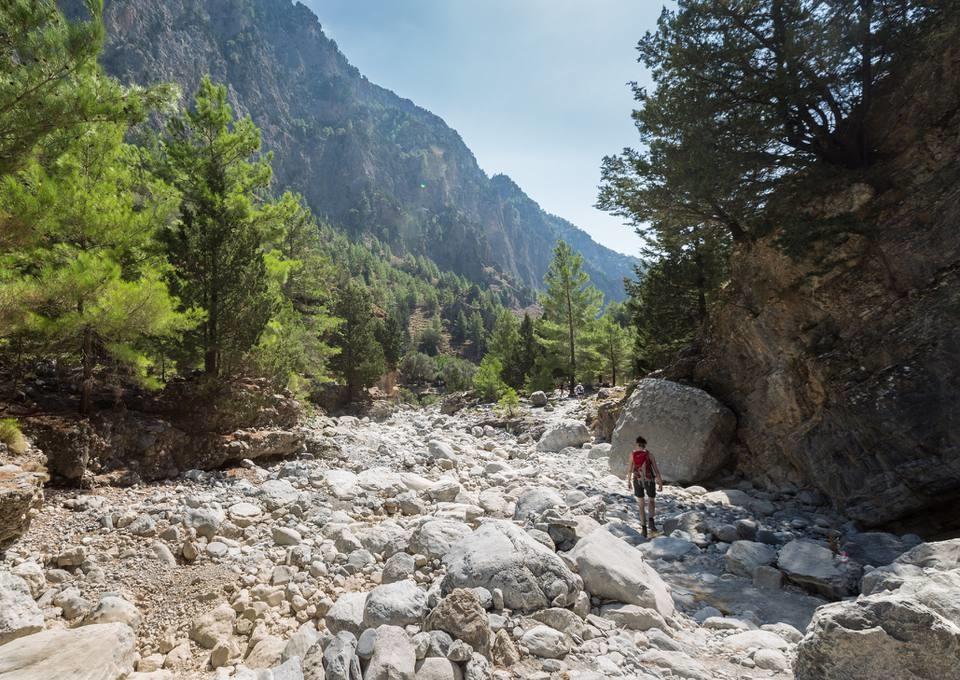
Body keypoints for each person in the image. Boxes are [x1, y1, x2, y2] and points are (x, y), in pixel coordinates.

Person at [626, 435, 663, 538]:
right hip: (649, 480)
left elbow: (629, 469)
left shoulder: (632, 454)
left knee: (641, 505)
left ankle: (644, 529)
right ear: (645, 445)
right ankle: (651, 521)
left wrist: (628, 481)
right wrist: (660, 482)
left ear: (637, 444)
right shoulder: (649, 454)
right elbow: (656, 470)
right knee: (651, 501)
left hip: (637, 480)